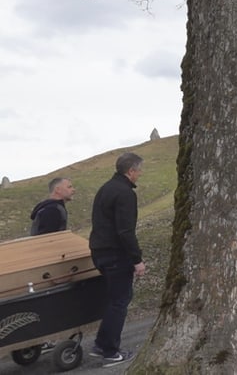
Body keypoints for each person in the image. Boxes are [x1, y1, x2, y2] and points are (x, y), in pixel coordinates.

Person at [88, 152, 147, 367]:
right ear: (131, 171)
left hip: (99, 251)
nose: (140, 174)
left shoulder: (106, 188)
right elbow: (125, 231)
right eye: (139, 170)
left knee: (114, 300)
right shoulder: (125, 193)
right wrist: (136, 259)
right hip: (115, 253)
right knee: (120, 301)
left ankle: (101, 344)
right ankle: (111, 352)